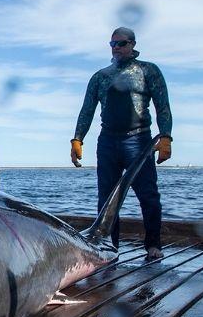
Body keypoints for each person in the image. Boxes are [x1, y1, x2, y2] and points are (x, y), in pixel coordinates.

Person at [70, 27, 172, 259]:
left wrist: (165, 136)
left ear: (132, 44)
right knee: (106, 197)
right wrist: (77, 138)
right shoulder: (100, 76)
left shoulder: (149, 71)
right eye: (112, 44)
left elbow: (162, 106)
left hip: (139, 140)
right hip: (107, 141)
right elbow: (87, 110)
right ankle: (109, 247)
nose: (116, 48)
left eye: (121, 43)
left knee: (148, 195)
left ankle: (153, 245)